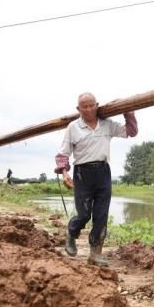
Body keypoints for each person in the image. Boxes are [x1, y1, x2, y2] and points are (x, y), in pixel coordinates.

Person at [54, 92, 138, 266]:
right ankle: (71, 232)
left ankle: (95, 254)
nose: (89, 109)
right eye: (85, 106)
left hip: (103, 172)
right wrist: (64, 173)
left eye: (92, 105)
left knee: (101, 215)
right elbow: (63, 153)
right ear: (79, 109)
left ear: (97, 105)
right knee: (84, 214)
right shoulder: (73, 127)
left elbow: (131, 132)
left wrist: (128, 111)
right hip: (82, 173)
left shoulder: (106, 124)